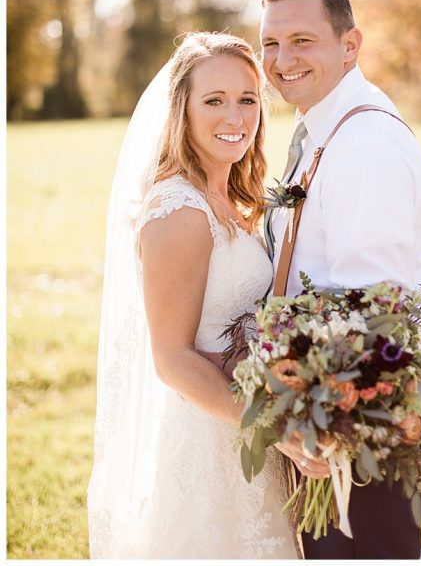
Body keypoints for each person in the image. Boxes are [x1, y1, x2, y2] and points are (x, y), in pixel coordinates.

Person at [87, 33, 297, 558]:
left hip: (247, 435)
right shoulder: (180, 211)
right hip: (211, 448)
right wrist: (276, 426)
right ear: (181, 109)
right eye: (214, 101)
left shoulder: (229, 201)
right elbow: (173, 359)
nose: (235, 116)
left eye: (248, 99)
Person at [260, 0, 421, 559]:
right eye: (270, 44)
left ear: (349, 44)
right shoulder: (323, 128)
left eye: (302, 40)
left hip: (356, 434)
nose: (282, 60)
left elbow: (375, 315)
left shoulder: (364, 145)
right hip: (327, 429)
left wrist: (320, 418)